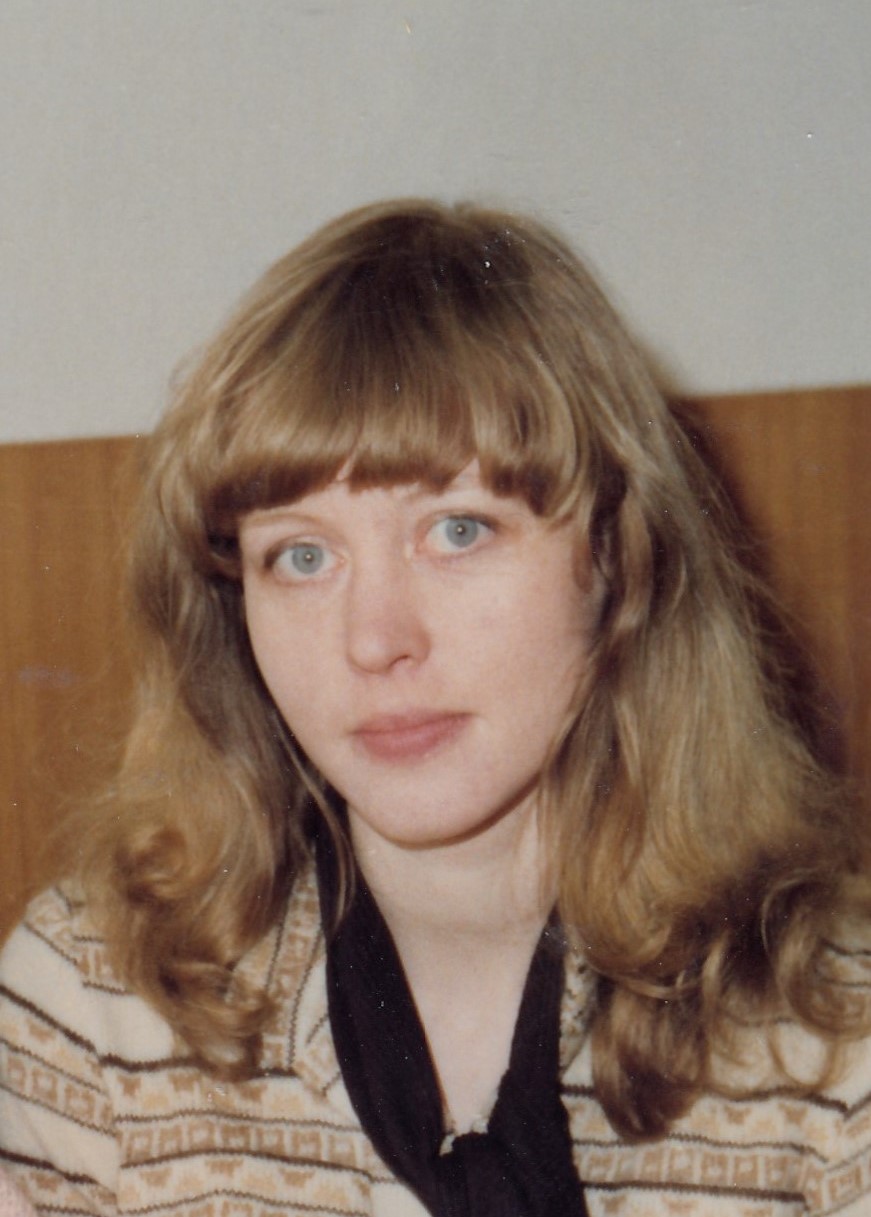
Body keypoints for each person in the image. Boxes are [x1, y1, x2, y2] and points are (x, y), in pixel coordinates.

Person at [0, 199, 869, 1217]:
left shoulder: (838, 1036)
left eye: (458, 530)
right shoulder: (93, 999)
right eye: (302, 555)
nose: (375, 639)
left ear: (616, 560)